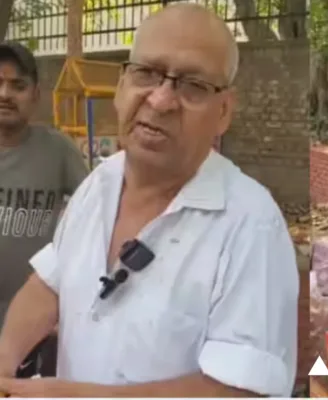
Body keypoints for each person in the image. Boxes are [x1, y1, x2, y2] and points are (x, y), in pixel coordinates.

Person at [0, 4, 299, 397]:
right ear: (122, 86)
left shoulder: (251, 226)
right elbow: (49, 285)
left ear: (224, 110)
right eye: (147, 74)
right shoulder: (99, 183)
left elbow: (241, 391)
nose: (160, 100)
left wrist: (74, 395)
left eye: (192, 85)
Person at [0, 42, 88, 377]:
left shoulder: (58, 151)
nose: (5, 94)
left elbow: (96, 214)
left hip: (31, 321)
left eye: (18, 86)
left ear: (36, 94)